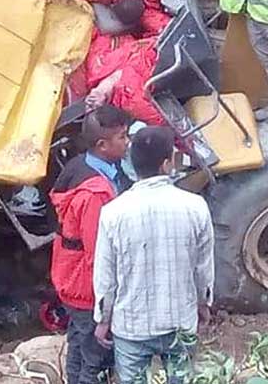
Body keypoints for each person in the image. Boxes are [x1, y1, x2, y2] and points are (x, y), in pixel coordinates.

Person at [93, 126, 213, 384]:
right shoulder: (195, 207)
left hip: (131, 326)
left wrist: (103, 320)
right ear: (167, 163)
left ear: (132, 164)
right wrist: (203, 304)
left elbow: (106, 276)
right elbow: (203, 268)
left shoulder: (113, 213)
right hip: (179, 322)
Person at [50, 105, 133, 384]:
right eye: (122, 137)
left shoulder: (81, 166)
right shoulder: (95, 194)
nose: (128, 141)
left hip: (71, 278)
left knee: (79, 343)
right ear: (102, 145)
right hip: (87, 286)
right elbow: (99, 253)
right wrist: (106, 305)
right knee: (96, 356)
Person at [82, 0, 171, 128]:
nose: (92, 101)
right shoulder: (131, 100)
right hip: (167, 53)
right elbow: (162, 122)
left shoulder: (96, 64)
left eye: (90, 102)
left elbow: (101, 31)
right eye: (93, 106)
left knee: (133, 6)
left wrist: (134, 9)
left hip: (153, 35)